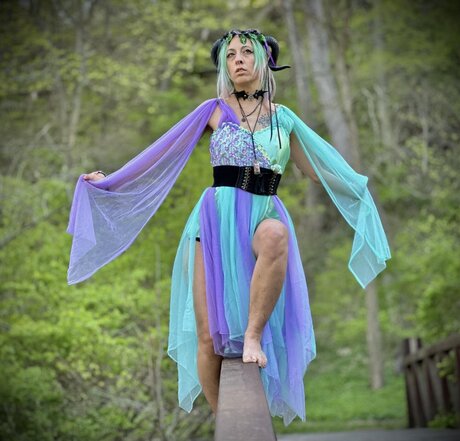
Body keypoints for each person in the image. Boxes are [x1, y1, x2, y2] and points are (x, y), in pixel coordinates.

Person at [69, 29, 390, 425]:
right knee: (208, 337)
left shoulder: (284, 120)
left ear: (264, 61)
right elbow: (161, 154)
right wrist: (111, 181)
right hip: (214, 221)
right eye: (231, 54)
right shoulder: (214, 111)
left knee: (276, 235)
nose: (237, 59)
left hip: (262, 213)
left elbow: (316, 170)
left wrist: (357, 188)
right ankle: (229, 421)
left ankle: (253, 335)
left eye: (246, 52)